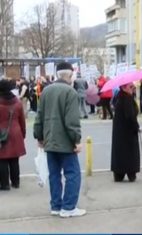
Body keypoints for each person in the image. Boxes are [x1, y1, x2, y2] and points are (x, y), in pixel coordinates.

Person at [33, 62, 86, 218]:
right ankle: (69, 207)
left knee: (54, 174)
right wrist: (76, 140)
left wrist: (39, 136)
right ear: (69, 75)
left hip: (49, 140)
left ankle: (56, 206)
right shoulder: (70, 92)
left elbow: (39, 117)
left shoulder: (46, 91)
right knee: (73, 174)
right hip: (65, 143)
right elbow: (72, 121)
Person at [111, 82, 141, 182]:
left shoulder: (119, 97)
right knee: (129, 153)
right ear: (124, 87)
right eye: (131, 87)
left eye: (133, 86)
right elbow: (130, 117)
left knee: (120, 152)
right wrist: (136, 127)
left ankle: (119, 173)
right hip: (127, 132)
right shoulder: (127, 99)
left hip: (119, 131)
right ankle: (130, 172)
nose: (133, 88)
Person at [0, 79, 26, 190]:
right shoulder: (18, 103)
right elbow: (22, 121)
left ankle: (4, 184)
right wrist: (23, 133)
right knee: (15, 159)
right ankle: (16, 182)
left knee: (2, 160)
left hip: (2, 133)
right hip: (16, 132)